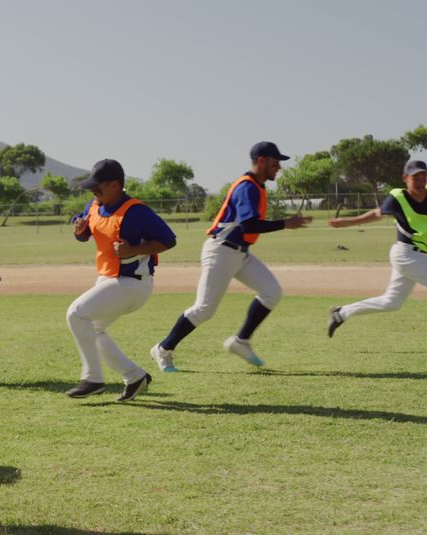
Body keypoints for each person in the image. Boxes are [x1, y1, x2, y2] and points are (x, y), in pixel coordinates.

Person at [151, 142, 311, 371]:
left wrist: (285, 223)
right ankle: (163, 349)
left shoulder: (258, 186)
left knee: (271, 292)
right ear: (262, 160)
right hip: (221, 251)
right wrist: (286, 223)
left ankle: (241, 341)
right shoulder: (247, 187)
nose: (279, 167)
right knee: (204, 308)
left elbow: (248, 229)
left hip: (240, 253)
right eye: (276, 163)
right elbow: (248, 226)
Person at [64, 159, 177, 401]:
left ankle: (92, 378)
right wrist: (79, 228)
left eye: (98, 186)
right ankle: (134, 376)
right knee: (93, 328)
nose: (93, 190)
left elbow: (168, 240)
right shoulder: (95, 204)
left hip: (132, 284)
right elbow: (84, 232)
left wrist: (134, 249)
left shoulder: (136, 211)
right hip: (107, 280)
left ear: (116, 185)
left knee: (76, 314)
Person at [327, 159, 427, 336]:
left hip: (420, 257)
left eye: (423, 177)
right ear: (405, 178)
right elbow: (377, 213)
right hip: (405, 255)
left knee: (391, 302)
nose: (420, 182)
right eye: (415, 177)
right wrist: (348, 222)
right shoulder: (398, 198)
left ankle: (341, 313)